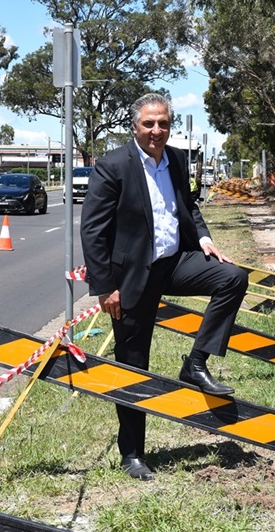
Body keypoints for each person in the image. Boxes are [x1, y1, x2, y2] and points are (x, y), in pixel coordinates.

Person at [81, 93, 249, 481]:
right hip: (132, 278)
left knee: (232, 277)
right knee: (134, 365)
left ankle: (196, 362)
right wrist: (105, 287)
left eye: (163, 123)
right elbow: (93, 231)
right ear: (135, 127)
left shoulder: (175, 159)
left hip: (174, 263)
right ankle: (133, 453)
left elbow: (188, 205)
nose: (157, 131)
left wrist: (203, 237)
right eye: (149, 124)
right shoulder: (112, 166)